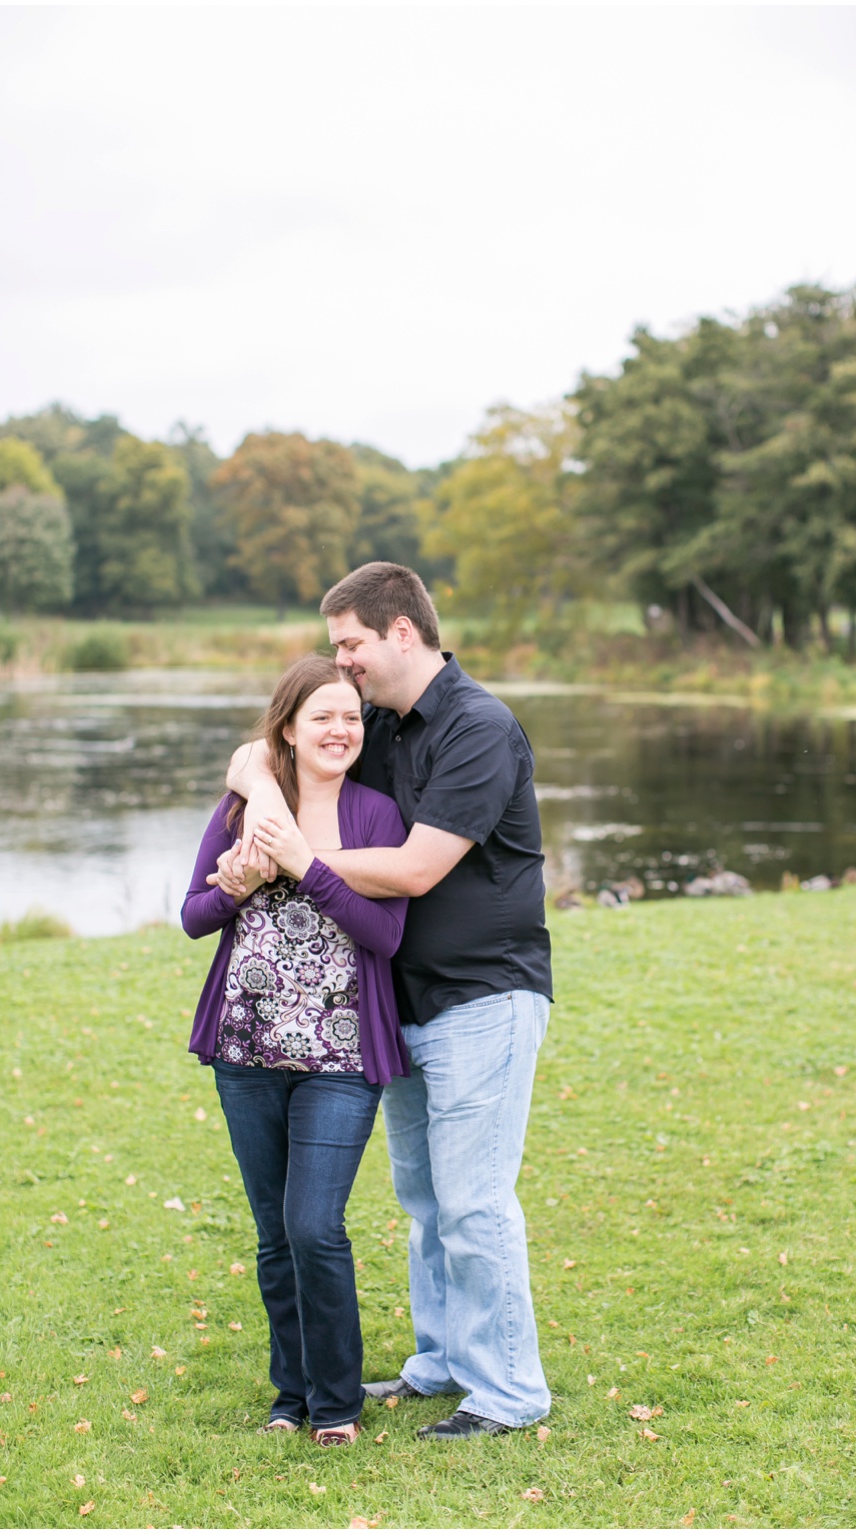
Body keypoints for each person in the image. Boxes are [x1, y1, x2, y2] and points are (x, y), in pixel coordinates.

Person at [221, 561, 553, 1439]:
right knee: (426, 1200)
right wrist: (264, 802)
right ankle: (441, 1363)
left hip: (485, 994)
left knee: (476, 1198)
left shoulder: (480, 727)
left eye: (351, 643)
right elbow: (258, 750)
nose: (343, 661)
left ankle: (510, 1390)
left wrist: (294, 857)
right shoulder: (379, 720)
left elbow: (412, 868)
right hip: (400, 1003)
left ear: (401, 632)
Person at [181, 654, 410, 1447]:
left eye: (351, 716)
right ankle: (291, 1396)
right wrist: (238, 884)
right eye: (324, 717)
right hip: (245, 1048)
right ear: (289, 727)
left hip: (340, 1057)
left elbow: (384, 933)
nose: (341, 730)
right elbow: (193, 915)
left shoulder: (377, 816)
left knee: (315, 1225)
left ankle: (337, 1405)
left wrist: (305, 866)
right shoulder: (244, 804)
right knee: (274, 1236)